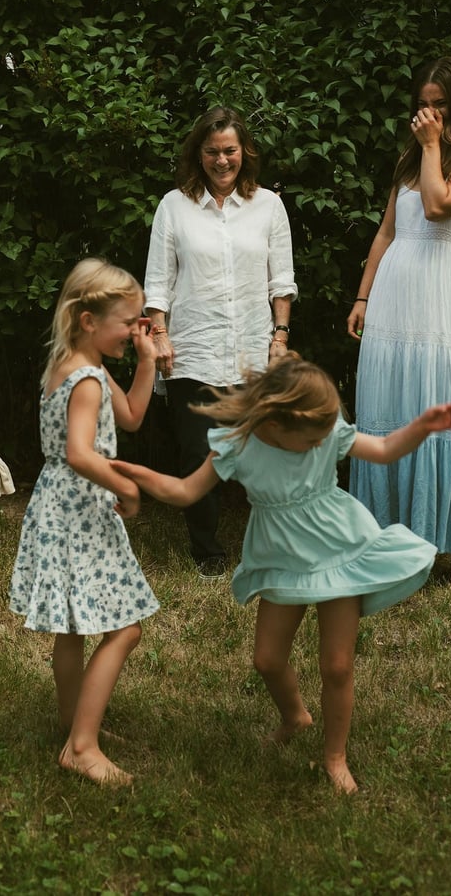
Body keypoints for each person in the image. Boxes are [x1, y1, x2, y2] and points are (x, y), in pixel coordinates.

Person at [112, 353, 451, 794]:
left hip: (340, 553)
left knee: (337, 666)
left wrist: (422, 427)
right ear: (274, 424)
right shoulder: (237, 445)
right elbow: (184, 492)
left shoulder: (325, 431)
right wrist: (131, 471)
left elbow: (386, 450)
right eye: (312, 439)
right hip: (280, 561)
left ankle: (335, 756)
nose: (321, 444)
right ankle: (295, 716)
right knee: (267, 660)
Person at [346, 57, 451, 593]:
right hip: (393, 302)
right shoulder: (410, 161)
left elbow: (438, 209)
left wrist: (434, 146)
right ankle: (393, 539)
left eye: (440, 104)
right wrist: (364, 295)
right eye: (424, 104)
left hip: (440, 305)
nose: (429, 113)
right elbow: (388, 233)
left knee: (449, 411)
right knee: (390, 414)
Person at [9, 258, 160, 786]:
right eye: (131, 322)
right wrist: (126, 486)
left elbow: (134, 418)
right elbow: (79, 452)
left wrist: (146, 362)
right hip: (80, 510)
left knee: (72, 627)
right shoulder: (89, 379)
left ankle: (75, 723)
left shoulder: (71, 365)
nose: (138, 330)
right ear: (88, 320)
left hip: (58, 506)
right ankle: (82, 746)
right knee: (126, 627)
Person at [144, 106, 297, 579]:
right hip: (193, 348)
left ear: (243, 152)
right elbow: (157, 282)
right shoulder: (174, 205)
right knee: (198, 454)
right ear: (199, 155)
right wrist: (161, 334)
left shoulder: (269, 205)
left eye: (230, 150)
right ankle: (208, 553)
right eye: (212, 151)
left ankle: (270, 548)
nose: (222, 160)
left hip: (254, 349)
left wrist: (280, 335)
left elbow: (282, 279)